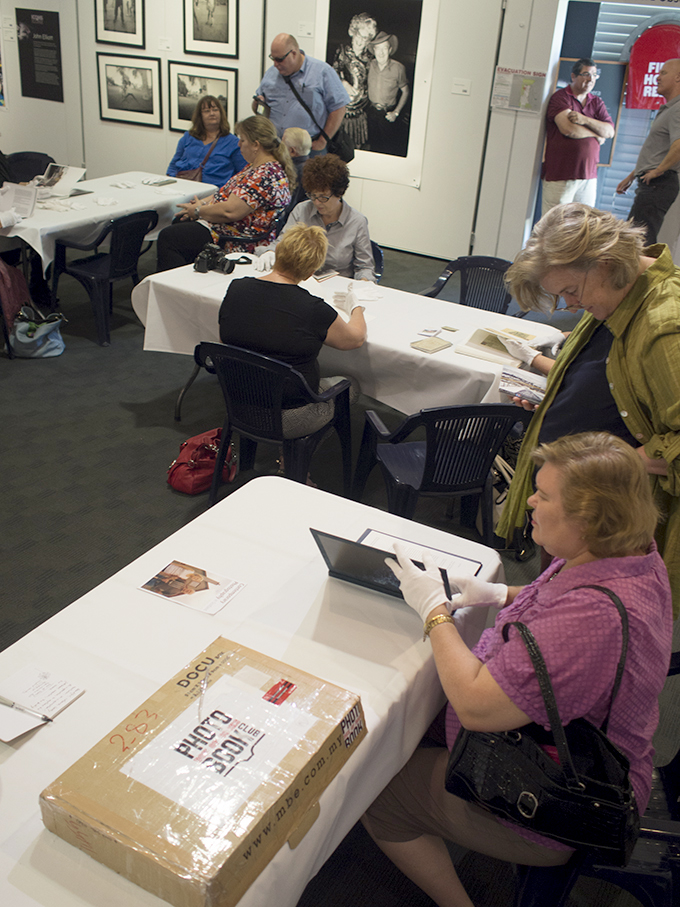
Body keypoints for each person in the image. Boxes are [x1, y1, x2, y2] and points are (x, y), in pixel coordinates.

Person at [363, 432, 673, 907]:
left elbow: (476, 708)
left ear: (588, 520)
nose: (528, 500)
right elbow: (555, 597)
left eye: (544, 496)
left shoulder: (590, 623)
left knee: (377, 791)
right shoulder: (629, 553)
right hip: (593, 746)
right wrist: (498, 594)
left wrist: (433, 611)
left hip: (560, 805)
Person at [497, 203, 680, 619]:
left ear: (605, 264)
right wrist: (558, 398)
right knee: (552, 609)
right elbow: (614, 383)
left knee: (574, 628)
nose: (570, 304)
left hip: (603, 518)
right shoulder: (620, 292)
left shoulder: (664, 325)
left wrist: (612, 464)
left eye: (572, 292)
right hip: (573, 506)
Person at [218, 223, 366, 437]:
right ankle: (297, 453)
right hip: (289, 415)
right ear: (310, 273)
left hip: (238, 403)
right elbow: (355, 339)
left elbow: (225, 343)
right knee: (350, 385)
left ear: (277, 252)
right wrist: (356, 306)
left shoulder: (236, 289)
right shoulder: (313, 309)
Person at [156, 116, 293, 271]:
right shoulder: (258, 167)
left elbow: (230, 211)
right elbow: (226, 193)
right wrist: (203, 204)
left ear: (256, 145)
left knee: (169, 237)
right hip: (226, 227)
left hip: (235, 237)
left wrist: (198, 211)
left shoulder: (263, 175)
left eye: (242, 140)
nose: (238, 144)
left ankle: (174, 286)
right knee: (181, 221)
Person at [254, 154, 376, 281]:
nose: (317, 202)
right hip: (300, 281)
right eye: (313, 195)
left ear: (339, 193)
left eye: (323, 197)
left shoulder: (357, 222)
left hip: (337, 287)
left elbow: (365, 267)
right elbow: (282, 243)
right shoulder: (302, 210)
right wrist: (270, 253)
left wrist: (363, 283)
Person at [617, 58, 680, 244]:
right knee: (635, 239)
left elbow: (678, 145)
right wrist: (632, 176)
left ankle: (644, 273)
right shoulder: (669, 109)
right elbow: (657, 151)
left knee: (640, 241)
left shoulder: (677, 110)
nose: (657, 78)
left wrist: (658, 171)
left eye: (663, 73)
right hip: (651, 182)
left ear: (678, 78)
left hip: (658, 184)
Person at [252, 34, 349, 155]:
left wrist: (323, 141)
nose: (275, 64)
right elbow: (259, 106)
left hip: (308, 150)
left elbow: (339, 107)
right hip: (275, 148)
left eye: (280, 59)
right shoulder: (271, 73)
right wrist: (257, 104)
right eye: (273, 58)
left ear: (293, 53)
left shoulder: (322, 71)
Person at [541, 58, 614, 215]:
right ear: (573, 76)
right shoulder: (561, 98)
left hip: (588, 177)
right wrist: (596, 134)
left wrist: (585, 120)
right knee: (554, 225)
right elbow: (569, 129)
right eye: (586, 74)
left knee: (583, 224)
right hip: (561, 175)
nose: (591, 79)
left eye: (594, 75)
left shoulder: (597, 103)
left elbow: (609, 132)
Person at [167, 95, 246, 188]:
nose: (212, 113)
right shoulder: (188, 137)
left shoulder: (233, 143)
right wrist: (171, 185)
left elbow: (242, 174)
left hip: (214, 194)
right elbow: (173, 165)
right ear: (200, 116)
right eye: (206, 111)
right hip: (183, 188)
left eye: (215, 110)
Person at [332, 13, 378, 149]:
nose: (361, 41)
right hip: (342, 109)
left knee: (357, 145)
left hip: (360, 111)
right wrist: (343, 83)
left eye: (366, 38)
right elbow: (332, 72)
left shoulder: (370, 58)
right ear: (353, 32)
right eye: (359, 35)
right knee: (338, 145)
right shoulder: (342, 50)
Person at [366, 32, 410, 157]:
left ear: (390, 50)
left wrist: (396, 112)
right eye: (377, 49)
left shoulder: (398, 68)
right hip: (371, 112)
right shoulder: (370, 64)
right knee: (373, 146)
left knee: (388, 149)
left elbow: (406, 91)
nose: (381, 53)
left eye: (384, 48)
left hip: (388, 114)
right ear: (374, 51)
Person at [282, 126, 311, 210]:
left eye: (282, 144)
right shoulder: (312, 168)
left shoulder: (292, 171)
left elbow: (289, 205)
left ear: (292, 151)